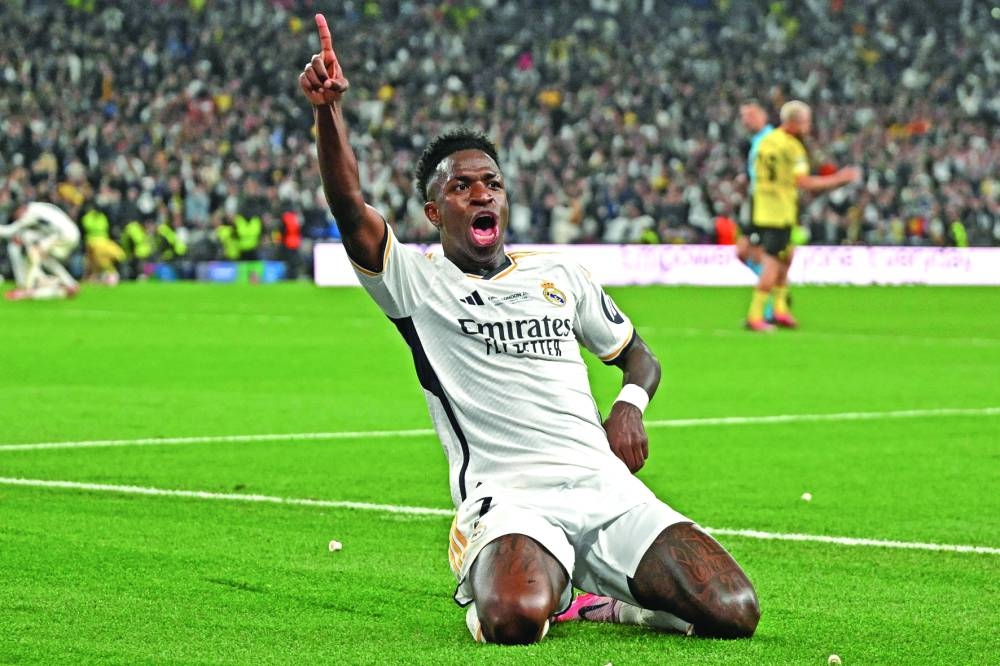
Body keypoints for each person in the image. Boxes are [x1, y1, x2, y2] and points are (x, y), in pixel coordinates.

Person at [299, 14, 760, 645]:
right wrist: (329, 111)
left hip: (603, 486)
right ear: (435, 212)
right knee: (514, 618)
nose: (482, 195)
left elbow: (639, 357)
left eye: (492, 184)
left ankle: (611, 603)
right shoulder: (415, 280)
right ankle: (534, 576)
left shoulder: (561, 274)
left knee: (734, 609)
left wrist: (629, 405)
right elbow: (349, 205)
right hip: (511, 499)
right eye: (461, 188)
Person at [746, 101, 861, 331]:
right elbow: (804, 182)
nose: (809, 127)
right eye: (806, 122)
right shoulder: (792, 147)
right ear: (795, 122)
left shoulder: (766, 140)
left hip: (762, 208)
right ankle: (755, 315)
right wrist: (840, 179)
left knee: (786, 258)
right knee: (772, 263)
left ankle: (780, 310)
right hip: (780, 212)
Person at [737, 101, 777, 319]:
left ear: (763, 114)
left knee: (755, 253)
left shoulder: (771, 139)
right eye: (743, 116)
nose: (745, 120)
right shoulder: (757, 141)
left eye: (750, 115)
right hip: (755, 201)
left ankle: (769, 306)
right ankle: (776, 293)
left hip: (765, 204)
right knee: (745, 252)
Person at [0, 200, 81, 300]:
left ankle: (28, 287)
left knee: (35, 252)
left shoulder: (29, 215)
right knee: (43, 256)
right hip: (71, 231)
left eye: (15, 215)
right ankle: (68, 283)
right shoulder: (38, 206)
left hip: (63, 236)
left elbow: (10, 231)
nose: (16, 218)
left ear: (20, 210)